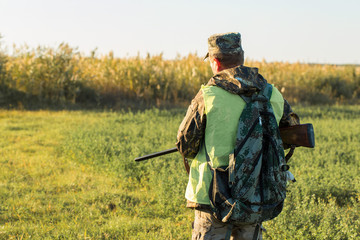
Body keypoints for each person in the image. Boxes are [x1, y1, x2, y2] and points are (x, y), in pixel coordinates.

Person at [176, 32, 300, 240]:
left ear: (215, 61)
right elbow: (290, 134)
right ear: (241, 58)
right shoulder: (272, 94)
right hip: (256, 194)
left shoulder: (208, 95)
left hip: (212, 196)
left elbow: (185, 146)